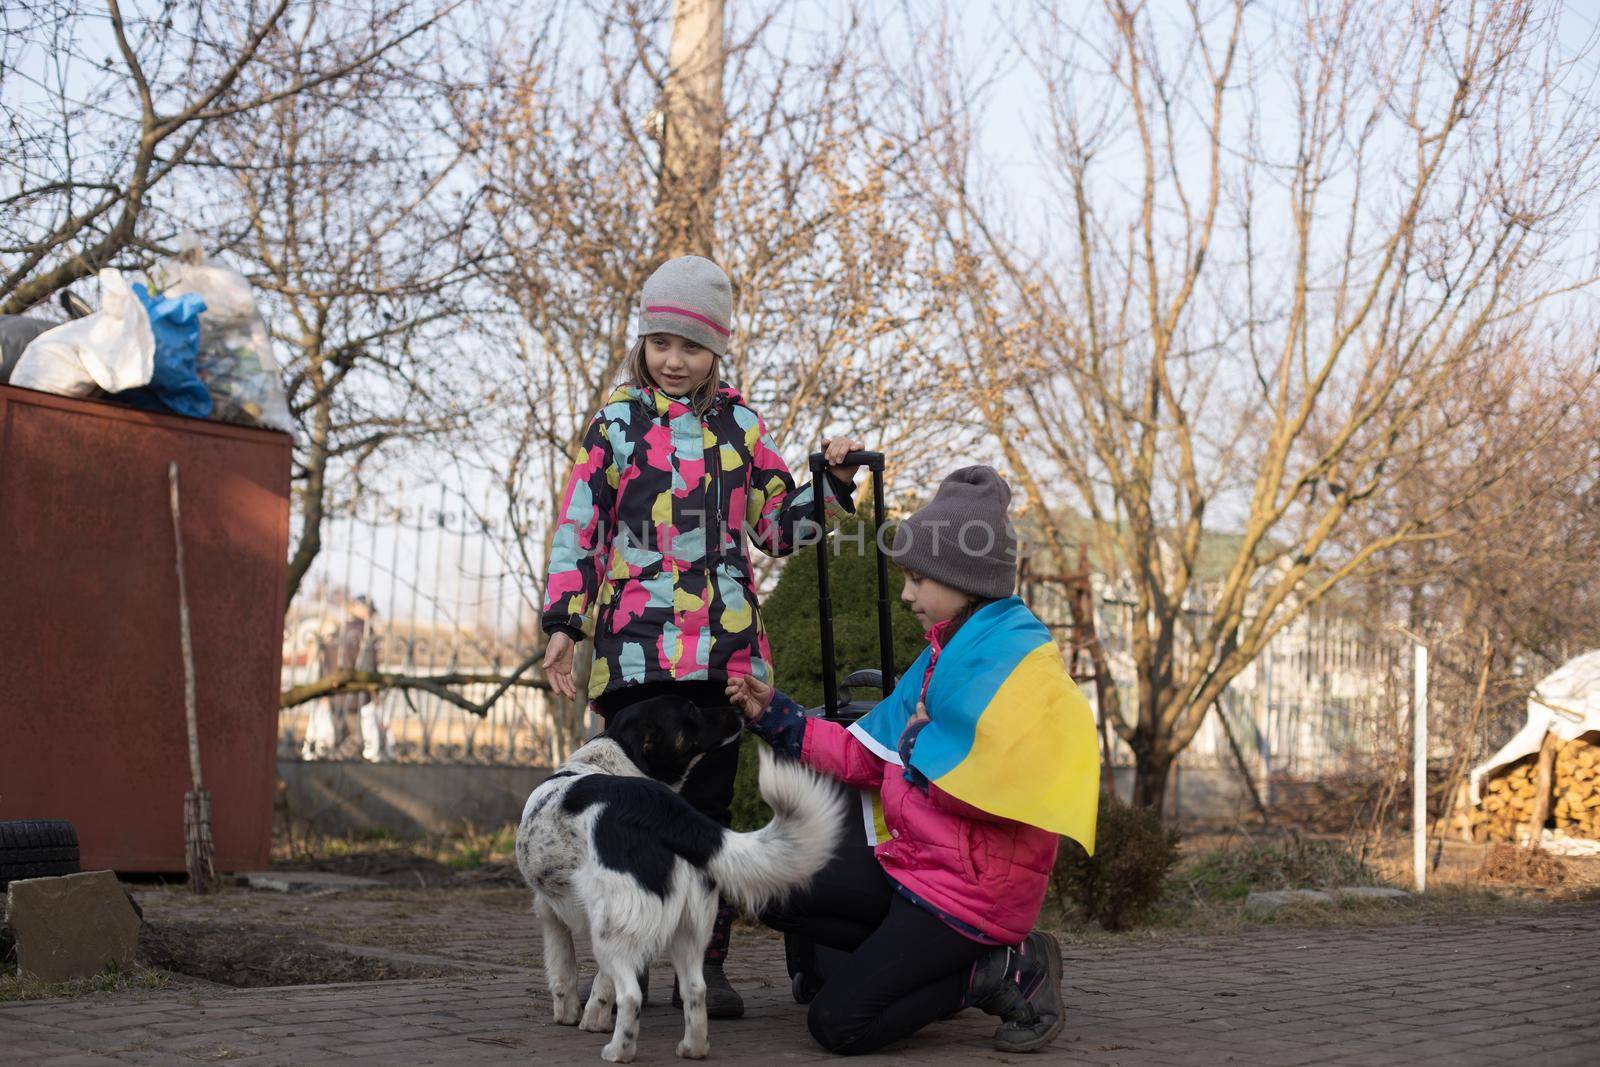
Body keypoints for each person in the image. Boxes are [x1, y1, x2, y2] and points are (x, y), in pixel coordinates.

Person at [540, 254, 864, 1017]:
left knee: (709, 816)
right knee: (622, 814)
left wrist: (830, 482)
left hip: (722, 653)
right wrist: (563, 622)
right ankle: (626, 961)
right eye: (660, 343)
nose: (674, 361)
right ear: (642, 344)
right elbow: (578, 525)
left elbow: (778, 527)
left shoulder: (741, 425)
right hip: (631, 651)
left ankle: (703, 963)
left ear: (717, 350)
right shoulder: (617, 422)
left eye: (691, 347)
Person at [725, 465, 1101, 1055]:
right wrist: (774, 713)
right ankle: (908, 966)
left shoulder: (1020, 663)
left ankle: (1001, 970)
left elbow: (981, 786)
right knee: (775, 887)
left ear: (964, 578)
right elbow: (860, 753)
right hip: (918, 868)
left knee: (838, 1024)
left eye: (917, 579)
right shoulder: (942, 657)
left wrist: (915, 750)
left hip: (971, 896)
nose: (905, 595)